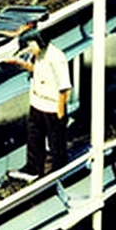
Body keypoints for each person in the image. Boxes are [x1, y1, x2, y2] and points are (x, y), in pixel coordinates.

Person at [7, 27, 72, 182]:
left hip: (52, 105)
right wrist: (19, 63)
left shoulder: (56, 57)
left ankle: (59, 169)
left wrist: (60, 110)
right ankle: (33, 168)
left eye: (30, 46)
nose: (29, 50)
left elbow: (64, 86)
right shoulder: (38, 55)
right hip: (37, 102)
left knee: (56, 140)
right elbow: (36, 70)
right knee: (34, 136)